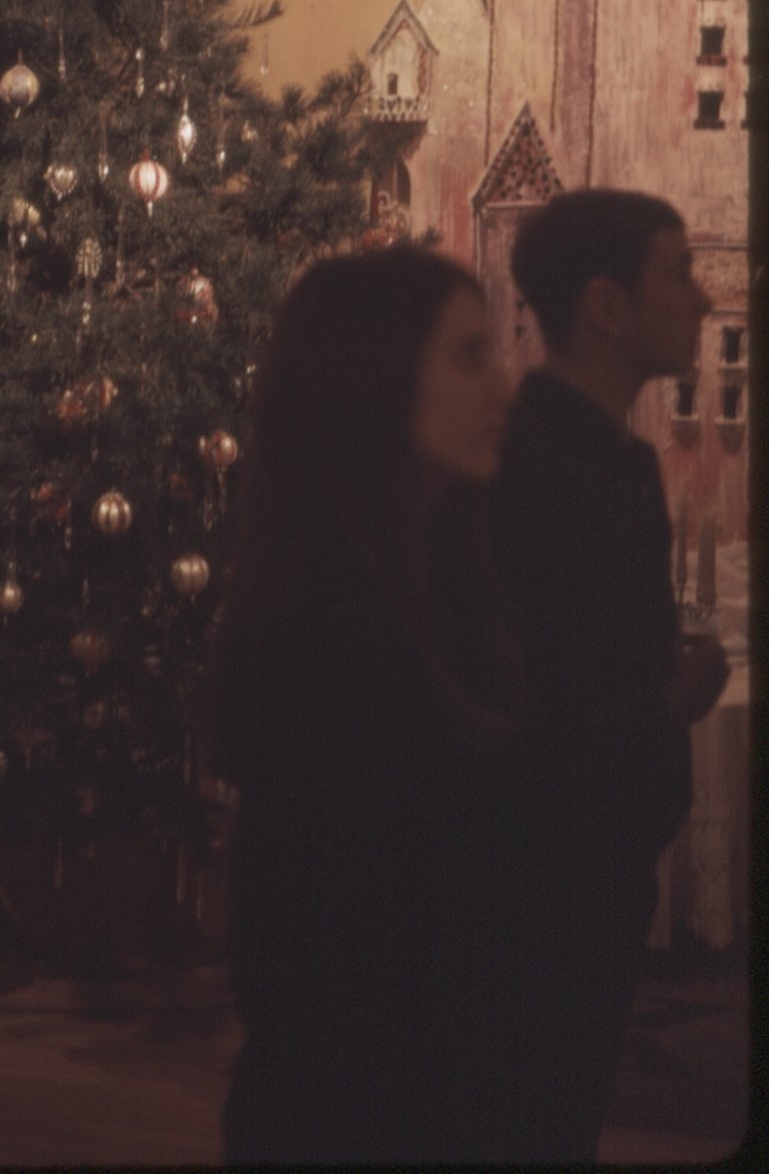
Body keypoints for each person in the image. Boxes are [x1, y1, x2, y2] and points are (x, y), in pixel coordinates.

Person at [207, 245, 526, 1164]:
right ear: (371, 377)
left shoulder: (443, 587)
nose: (503, 388)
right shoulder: (325, 628)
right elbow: (325, 958)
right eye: (468, 356)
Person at [492, 188, 731, 1162]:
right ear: (605, 305)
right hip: (543, 886)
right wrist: (671, 701)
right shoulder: (538, 464)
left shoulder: (618, 459)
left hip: (598, 873)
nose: (704, 298)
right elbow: (540, 704)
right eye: (679, 272)